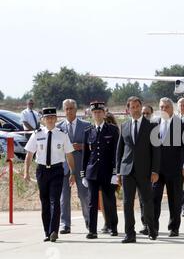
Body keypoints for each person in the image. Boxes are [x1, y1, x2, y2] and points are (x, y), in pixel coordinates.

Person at [24, 107, 75, 242]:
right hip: (42, 171)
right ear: (43, 120)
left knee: (55, 201)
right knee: (45, 202)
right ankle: (47, 231)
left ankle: (54, 231)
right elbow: (29, 154)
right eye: (47, 118)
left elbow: (69, 155)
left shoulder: (62, 134)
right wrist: (26, 172)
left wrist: (73, 173)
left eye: (52, 117)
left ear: (56, 118)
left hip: (57, 171)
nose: (50, 119)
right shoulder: (37, 134)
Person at [117, 97, 160, 243]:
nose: (135, 109)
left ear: (141, 108)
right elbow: (120, 150)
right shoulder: (124, 126)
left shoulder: (152, 127)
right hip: (127, 170)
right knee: (127, 203)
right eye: (132, 107)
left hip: (145, 170)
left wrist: (155, 170)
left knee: (147, 202)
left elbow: (156, 151)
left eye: (137, 106)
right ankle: (130, 233)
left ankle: (151, 229)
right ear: (128, 109)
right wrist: (118, 171)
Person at [152, 97, 184, 237]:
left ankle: (174, 227)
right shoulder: (153, 124)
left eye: (167, 107)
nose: (164, 109)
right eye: (161, 107)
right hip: (156, 170)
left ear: (172, 108)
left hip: (175, 169)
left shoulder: (181, 125)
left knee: (174, 200)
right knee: (154, 199)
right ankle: (154, 227)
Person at [81, 101, 119, 239]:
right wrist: (83, 174)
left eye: (99, 112)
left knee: (110, 200)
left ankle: (113, 227)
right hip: (92, 172)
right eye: (94, 112)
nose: (97, 114)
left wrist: (115, 172)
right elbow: (85, 155)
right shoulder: (88, 132)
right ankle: (92, 230)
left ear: (104, 113)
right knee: (92, 202)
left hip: (108, 172)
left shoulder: (113, 130)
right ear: (92, 114)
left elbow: (116, 153)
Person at [57, 99, 91, 234]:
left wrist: (82, 146)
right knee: (64, 197)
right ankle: (65, 224)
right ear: (64, 111)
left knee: (84, 196)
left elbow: (93, 145)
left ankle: (89, 222)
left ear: (76, 110)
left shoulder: (86, 125)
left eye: (71, 108)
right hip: (64, 168)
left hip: (82, 167)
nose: (69, 111)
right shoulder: (58, 127)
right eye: (67, 109)